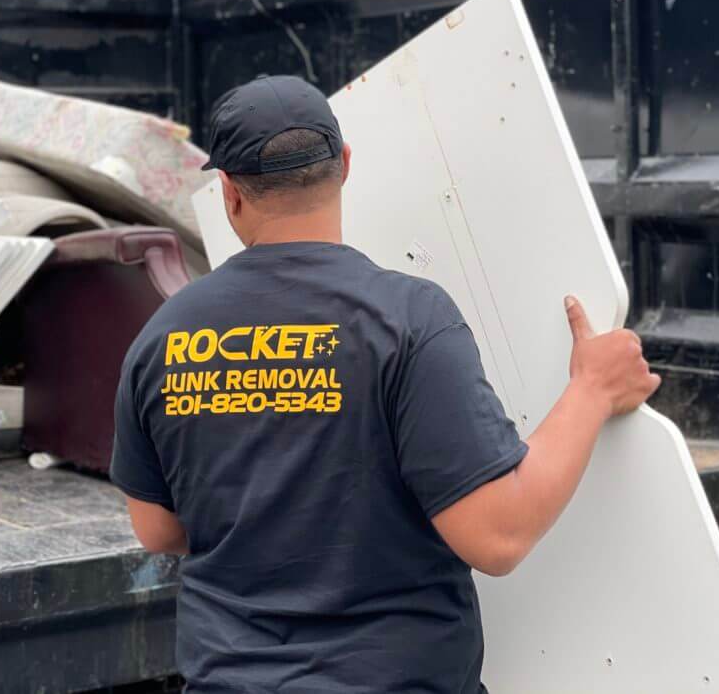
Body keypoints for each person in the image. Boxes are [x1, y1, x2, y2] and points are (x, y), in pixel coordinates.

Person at [111, 75, 660, 693]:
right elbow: (498, 535)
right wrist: (591, 389)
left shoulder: (163, 337)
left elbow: (160, 531)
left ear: (230, 193)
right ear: (343, 166)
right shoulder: (407, 320)